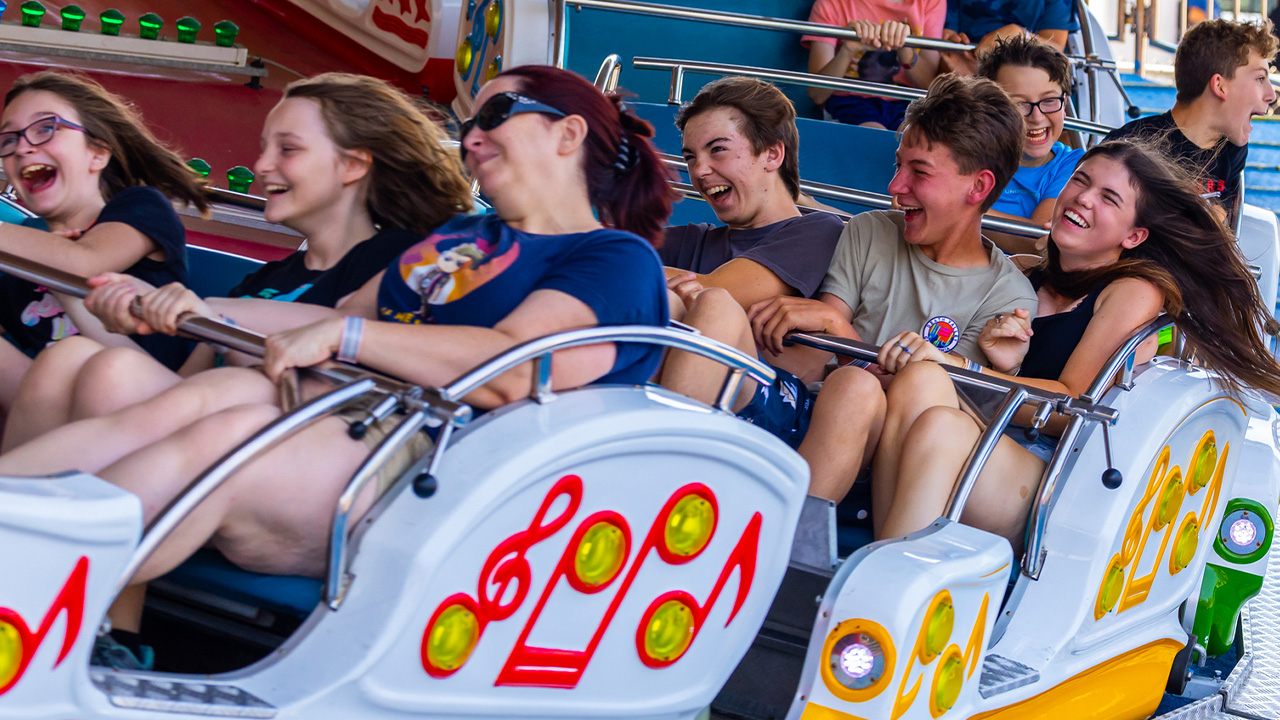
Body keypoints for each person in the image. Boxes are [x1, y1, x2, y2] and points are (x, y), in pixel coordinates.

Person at [0, 65, 672, 668]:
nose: (471, 138)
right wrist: (182, 305)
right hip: (350, 423)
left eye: (495, 115)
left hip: (444, 475)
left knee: (229, 437)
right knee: (219, 393)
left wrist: (347, 336)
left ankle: (32, 596)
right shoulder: (463, 241)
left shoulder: (612, 256)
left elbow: (511, 367)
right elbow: (333, 317)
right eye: (468, 125)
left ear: (568, 134)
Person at [5, 72, 474, 451]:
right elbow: (182, 386)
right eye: (265, 147)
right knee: (78, 359)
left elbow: (357, 336)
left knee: (103, 368)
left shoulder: (393, 256)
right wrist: (82, 296)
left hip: (295, 437)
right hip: (194, 415)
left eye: (286, 150)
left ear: (353, 165)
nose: (262, 165)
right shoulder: (263, 280)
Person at [871, 140, 1280, 547]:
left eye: (1108, 198)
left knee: (941, 419)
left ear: (1134, 235)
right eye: (1080, 181)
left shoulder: (1133, 291)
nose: (1083, 198)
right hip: (986, 438)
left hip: (1050, 474)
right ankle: (883, 555)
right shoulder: (1021, 273)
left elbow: (1071, 407)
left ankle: (885, 578)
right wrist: (986, 368)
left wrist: (969, 371)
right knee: (920, 379)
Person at [663, 75, 1036, 502]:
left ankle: (789, 535)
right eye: (898, 166)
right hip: (809, 405)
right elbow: (813, 359)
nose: (895, 188)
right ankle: (657, 481)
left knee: (854, 388)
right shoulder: (870, 231)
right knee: (714, 304)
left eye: (919, 172)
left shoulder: (1007, 300)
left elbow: (922, 411)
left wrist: (835, 324)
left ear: (979, 187)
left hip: (887, 457)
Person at [0, 70, 208, 411]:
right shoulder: (17, 277)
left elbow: (84, 262)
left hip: (138, 406)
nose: (22, 148)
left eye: (45, 129)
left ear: (97, 153)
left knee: (72, 359)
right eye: (8, 140)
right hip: (51, 412)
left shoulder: (141, 207)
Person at [661, 76, 843, 319]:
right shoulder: (692, 241)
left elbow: (716, 292)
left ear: (772, 154)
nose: (698, 170)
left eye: (718, 149)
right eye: (690, 157)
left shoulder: (820, 231)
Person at [1105, 18, 1277, 220]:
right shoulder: (1131, 146)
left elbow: (1220, 224)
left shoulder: (1231, 149)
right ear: (1220, 86)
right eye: (1260, 78)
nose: (1271, 95)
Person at [977, 35, 1084, 255]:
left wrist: (956, 207)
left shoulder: (1075, 165)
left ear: (1064, 106)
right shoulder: (969, 154)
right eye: (1018, 104)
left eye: (1049, 100)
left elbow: (1037, 243)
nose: (1036, 117)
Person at [803, 0, 945, 129]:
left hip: (909, 102)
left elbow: (929, 86)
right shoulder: (832, 4)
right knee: (875, 136)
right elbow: (816, 94)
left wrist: (906, 52)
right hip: (850, 101)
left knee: (914, 139)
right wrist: (847, 50)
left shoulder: (931, 3)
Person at [939, 0, 1077, 75]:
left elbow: (1055, 48)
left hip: (1029, 71)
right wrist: (956, 58)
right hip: (969, 75)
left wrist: (1021, 36)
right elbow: (947, 38)